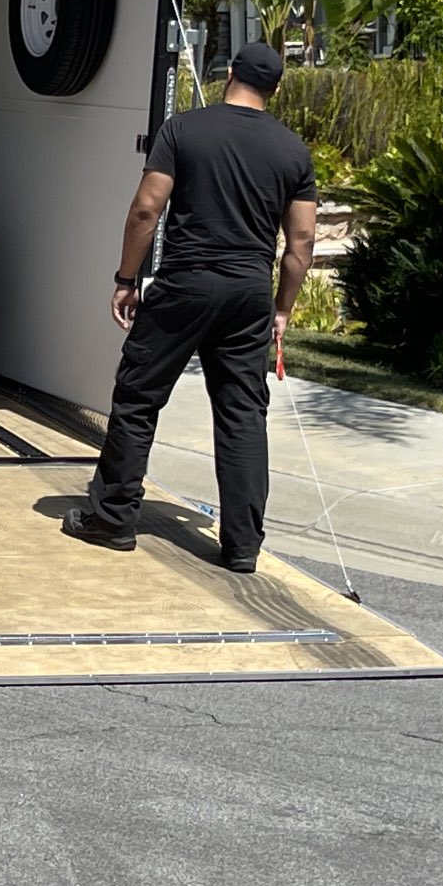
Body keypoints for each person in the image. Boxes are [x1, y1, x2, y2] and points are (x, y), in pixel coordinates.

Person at [64, 41, 316, 573]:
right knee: (243, 414)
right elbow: (301, 245)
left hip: (186, 283)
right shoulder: (293, 151)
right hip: (249, 291)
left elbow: (145, 210)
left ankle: (112, 519)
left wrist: (126, 278)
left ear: (228, 74)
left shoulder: (184, 129)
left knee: (138, 396)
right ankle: (243, 545)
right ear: (275, 88)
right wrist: (282, 308)